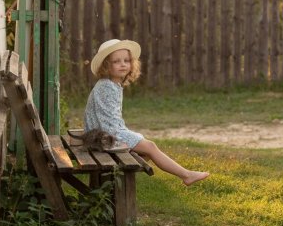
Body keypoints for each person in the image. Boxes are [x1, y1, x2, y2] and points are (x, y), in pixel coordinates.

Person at [84, 38, 210, 186]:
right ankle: (186, 175)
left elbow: (112, 118)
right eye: (116, 61)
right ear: (106, 66)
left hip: (103, 134)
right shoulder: (107, 87)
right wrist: (122, 139)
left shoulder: (113, 85)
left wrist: (127, 135)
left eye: (126, 60)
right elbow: (107, 122)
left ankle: (115, 183)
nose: (123, 64)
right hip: (102, 137)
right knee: (150, 147)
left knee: (144, 148)